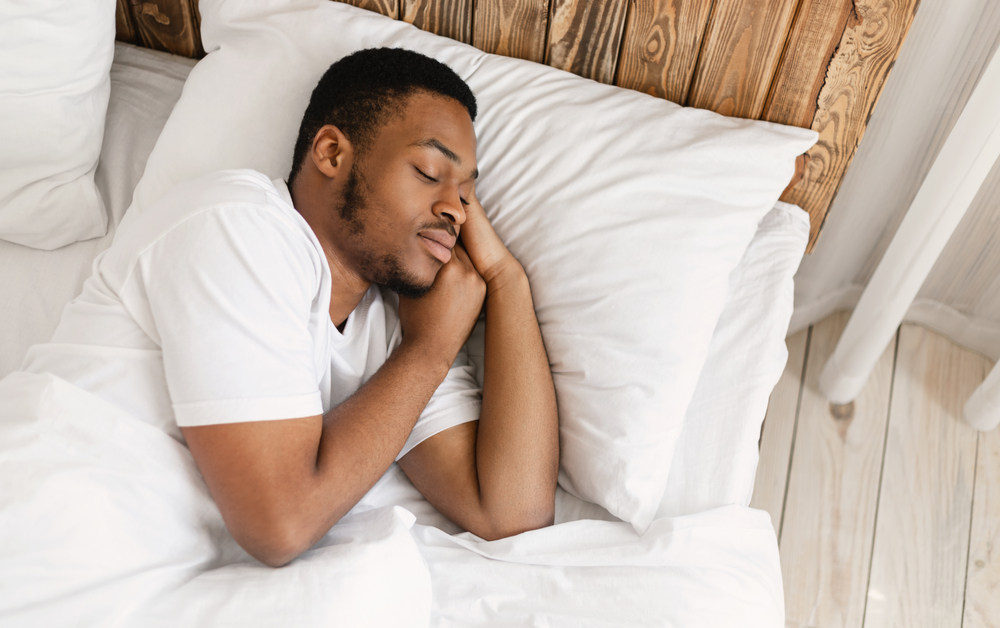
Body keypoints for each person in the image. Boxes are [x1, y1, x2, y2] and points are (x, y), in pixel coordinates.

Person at [20, 48, 559, 567]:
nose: (455, 210)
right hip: (43, 528)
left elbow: (512, 512)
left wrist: (506, 281)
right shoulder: (237, 223)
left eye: (467, 194)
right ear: (331, 153)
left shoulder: (396, 329)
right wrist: (431, 350)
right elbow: (280, 525)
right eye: (427, 172)